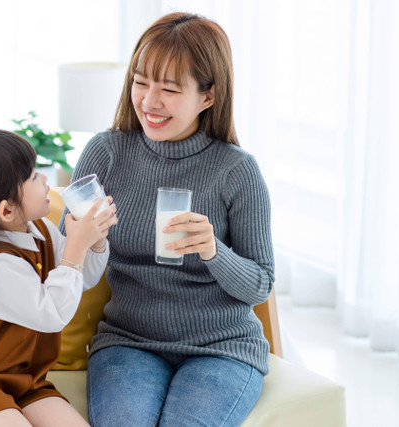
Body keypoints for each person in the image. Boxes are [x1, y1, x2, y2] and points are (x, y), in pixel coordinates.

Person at [60, 12, 275, 427]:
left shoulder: (236, 171)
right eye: (141, 82)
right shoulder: (106, 153)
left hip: (223, 347)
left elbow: (260, 284)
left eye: (170, 89)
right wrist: (84, 237)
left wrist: (214, 251)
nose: (149, 101)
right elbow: (63, 255)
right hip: (129, 341)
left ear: (208, 96)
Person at [0, 129, 118, 427]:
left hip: (26, 381)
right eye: (32, 176)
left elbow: (81, 280)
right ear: (6, 210)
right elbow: (52, 314)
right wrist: (75, 248)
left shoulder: (39, 229)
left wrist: (94, 243)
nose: (44, 179)